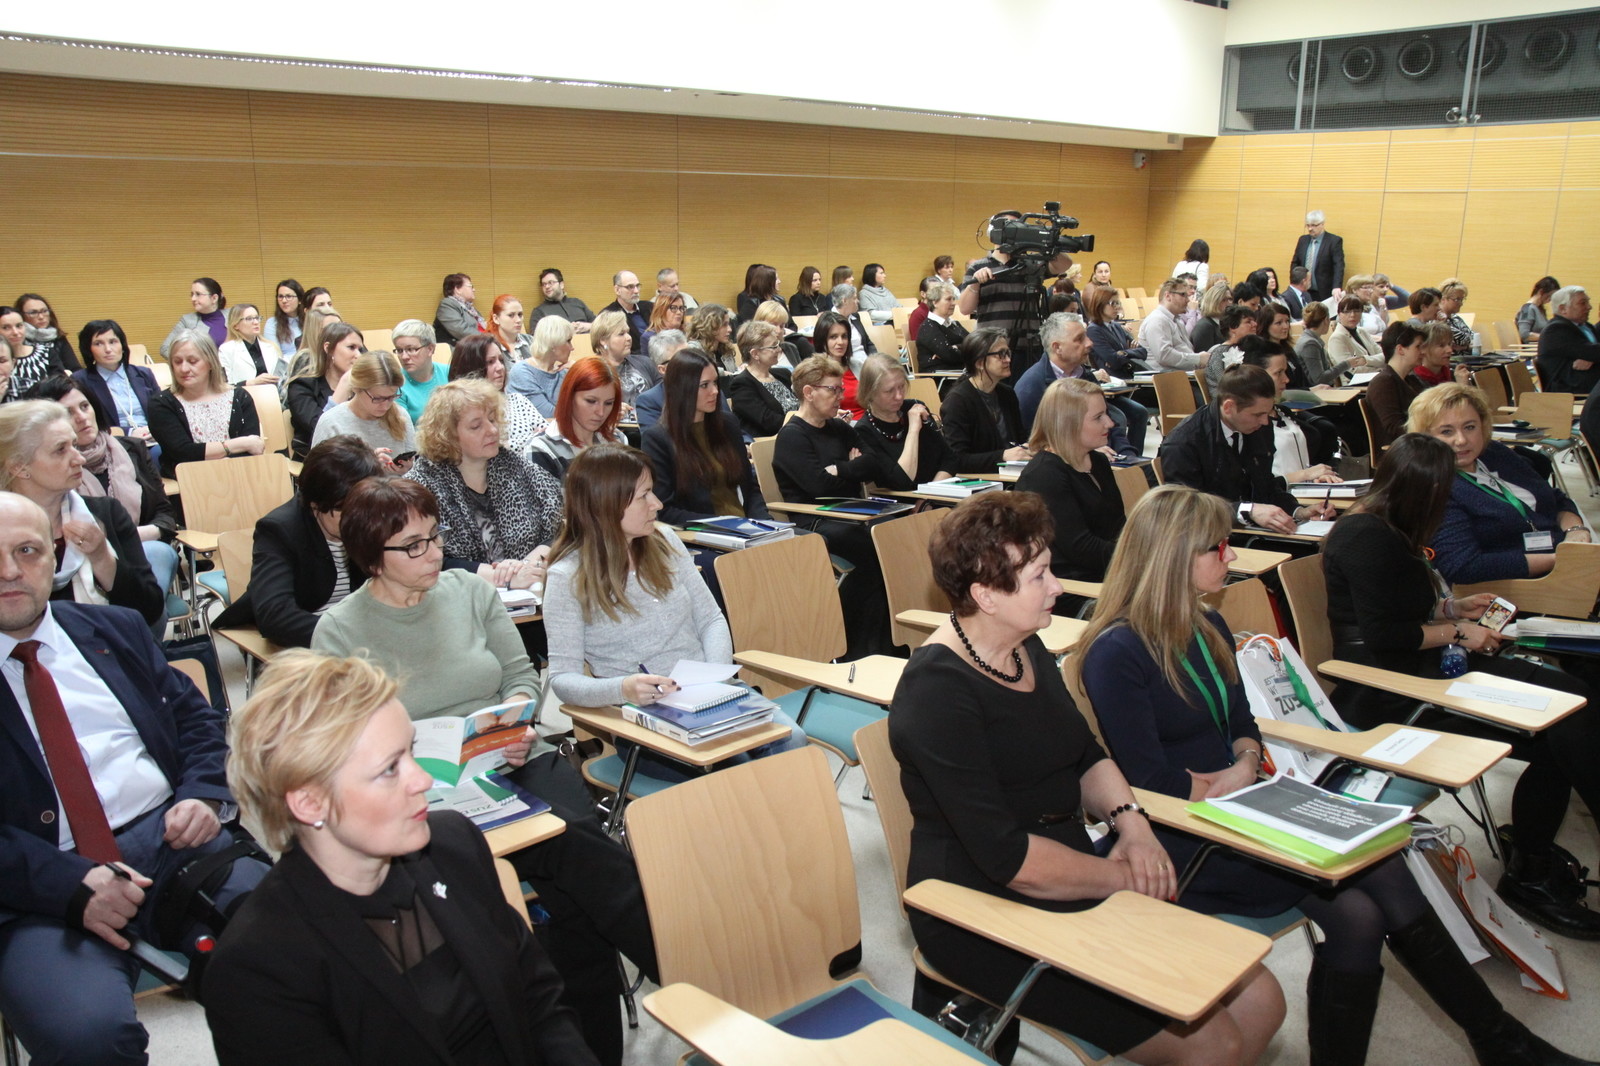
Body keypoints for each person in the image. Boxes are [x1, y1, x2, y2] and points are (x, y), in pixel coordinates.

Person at [1083, 482, 1595, 1066]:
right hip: (1185, 835)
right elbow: (1147, 779)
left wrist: (1245, 766)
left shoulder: (1208, 624)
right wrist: (1225, 787)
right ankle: (1502, 1042)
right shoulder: (1115, 651)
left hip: (1241, 801)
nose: (1231, 556)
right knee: (1375, 886)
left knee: (1363, 910)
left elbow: (1243, 723)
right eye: (1217, 548)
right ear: (1174, 556)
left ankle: (1498, 1041)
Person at [889, 490, 1284, 1065]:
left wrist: (1134, 826)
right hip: (979, 907)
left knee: (1263, 1001)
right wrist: (1122, 877)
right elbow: (1009, 859)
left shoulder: (1026, 648)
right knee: (1213, 1042)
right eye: (1040, 576)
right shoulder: (936, 693)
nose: (1058, 587)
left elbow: (1084, 755)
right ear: (985, 595)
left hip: (1070, 868)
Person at [304, 477, 656, 1063]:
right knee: (573, 883)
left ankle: (676, 982)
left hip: (510, 760)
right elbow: (340, 741)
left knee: (581, 857)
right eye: (413, 546)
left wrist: (515, 725)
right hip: (423, 790)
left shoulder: (468, 591)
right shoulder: (339, 630)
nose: (433, 553)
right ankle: (690, 974)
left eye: (435, 536)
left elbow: (520, 675)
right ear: (371, 557)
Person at [205, 649, 601, 1066]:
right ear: (308, 803)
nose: (423, 779)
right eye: (390, 769)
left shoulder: (454, 845)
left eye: (411, 752)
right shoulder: (257, 968)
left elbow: (538, 1000)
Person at [0, 492, 265, 1066]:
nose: (10, 572)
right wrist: (69, 886)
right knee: (87, 1039)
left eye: (27, 551)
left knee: (307, 949)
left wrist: (203, 795)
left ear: (55, 555)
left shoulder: (113, 629)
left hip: (174, 845)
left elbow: (196, 721)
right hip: (37, 886)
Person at [1324, 432, 1600, 943]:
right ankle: (1530, 871)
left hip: (1424, 668)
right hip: (1392, 689)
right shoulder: (1364, 535)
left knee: (1571, 712)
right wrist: (1457, 631)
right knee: (1568, 719)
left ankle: (1532, 862)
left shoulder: (1390, 525)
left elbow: (1400, 606)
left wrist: (1453, 608)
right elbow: (1385, 636)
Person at [545, 443, 804, 762]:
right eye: (644, 496)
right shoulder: (567, 577)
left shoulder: (664, 541)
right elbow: (562, 679)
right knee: (735, 764)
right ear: (606, 504)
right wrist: (623, 688)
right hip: (643, 716)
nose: (657, 504)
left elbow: (711, 619)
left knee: (790, 741)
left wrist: (716, 676)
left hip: (710, 694)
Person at [772, 356, 910, 658]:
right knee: (871, 547)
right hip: (814, 520)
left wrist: (840, 469)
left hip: (851, 511)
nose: (841, 396)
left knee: (898, 532)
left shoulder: (838, 427)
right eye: (833, 390)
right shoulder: (792, 436)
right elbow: (819, 487)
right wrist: (849, 468)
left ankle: (892, 638)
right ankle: (860, 647)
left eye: (840, 389)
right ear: (809, 392)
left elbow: (873, 462)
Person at [0, 399, 166, 628]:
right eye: (60, 450)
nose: (80, 459)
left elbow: (151, 611)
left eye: (74, 446)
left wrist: (102, 558)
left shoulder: (106, 513)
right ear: (19, 466)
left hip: (105, 647)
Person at [212, 435, 384, 648]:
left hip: (362, 632)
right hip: (310, 640)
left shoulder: (372, 517)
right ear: (315, 502)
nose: (358, 518)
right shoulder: (280, 530)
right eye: (344, 509)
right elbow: (275, 615)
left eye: (365, 506)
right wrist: (349, 635)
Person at [1408, 383, 1589, 583]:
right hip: (1525, 585)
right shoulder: (1436, 487)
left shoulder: (1495, 453)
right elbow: (1464, 566)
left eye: (1469, 427)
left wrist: (1576, 532)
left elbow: (1555, 498)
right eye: (1446, 432)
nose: (1461, 440)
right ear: (1425, 437)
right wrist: (1559, 560)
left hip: (1569, 557)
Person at [27, 377, 179, 602]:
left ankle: (136, 619)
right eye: (68, 412)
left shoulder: (132, 449)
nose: (82, 417)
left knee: (157, 553)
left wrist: (129, 537)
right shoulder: (49, 474)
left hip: (141, 547)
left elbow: (165, 514)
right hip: (80, 558)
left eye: (84, 406)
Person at [405, 377, 561, 587]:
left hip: (529, 591)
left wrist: (529, 565)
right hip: (458, 595)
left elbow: (562, 527)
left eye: (492, 419)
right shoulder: (419, 486)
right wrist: (501, 577)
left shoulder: (517, 467)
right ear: (448, 436)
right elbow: (423, 556)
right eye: (476, 426)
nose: (492, 430)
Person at [1159, 364, 1334, 534]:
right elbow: (1186, 509)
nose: (1265, 421)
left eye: (1267, 412)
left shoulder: (1257, 426)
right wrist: (1247, 511)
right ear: (1228, 407)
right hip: (1209, 536)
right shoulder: (1183, 443)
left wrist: (1298, 512)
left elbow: (1265, 485)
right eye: (1258, 414)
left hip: (1249, 529)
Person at [1013, 378, 1126, 615]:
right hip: (1066, 592)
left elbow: (1118, 527)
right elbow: (1081, 548)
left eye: (1106, 414)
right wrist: (1140, 558)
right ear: (1068, 424)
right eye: (1098, 417)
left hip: (1108, 578)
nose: (1110, 422)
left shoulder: (1098, 461)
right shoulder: (1044, 475)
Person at [641, 348, 768, 525]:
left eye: (715, 383)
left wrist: (766, 524)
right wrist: (724, 524)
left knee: (804, 538)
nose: (715, 391)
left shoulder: (728, 424)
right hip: (705, 532)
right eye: (704, 385)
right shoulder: (657, 439)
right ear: (682, 388)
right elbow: (665, 510)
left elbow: (750, 488)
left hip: (747, 526)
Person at [957, 219, 1070, 381]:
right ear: (994, 234)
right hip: (993, 349)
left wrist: (1041, 241)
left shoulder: (1030, 264)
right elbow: (964, 309)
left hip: (1028, 346)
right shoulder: (978, 267)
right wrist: (975, 283)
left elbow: (1065, 263)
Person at [1017, 312, 1144, 456]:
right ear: (1057, 347)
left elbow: (1109, 426)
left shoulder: (1085, 376)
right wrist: (1086, 451)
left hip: (1101, 459)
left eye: (1086, 336)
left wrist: (1128, 455)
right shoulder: (1032, 387)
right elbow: (1034, 444)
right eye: (1079, 339)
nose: (1089, 343)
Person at [147, 330, 264, 479]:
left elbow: (253, 449)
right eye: (177, 362)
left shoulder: (240, 397)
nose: (184, 369)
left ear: (210, 362)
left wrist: (227, 465)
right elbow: (183, 453)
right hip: (188, 481)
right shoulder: (161, 403)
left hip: (239, 476)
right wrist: (237, 445)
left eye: (192, 361)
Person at [1238, 340, 1339, 480]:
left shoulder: (1283, 412)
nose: (1286, 379)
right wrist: (1304, 475)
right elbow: (1256, 484)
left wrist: (1315, 477)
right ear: (1256, 376)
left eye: (1285, 372)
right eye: (1278, 373)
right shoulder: (1246, 425)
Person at [851, 353, 956, 485]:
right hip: (904, 497)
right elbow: (901, 481)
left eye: (901, 386)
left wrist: (932, 492)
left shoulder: (916, 407)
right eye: (889, 391)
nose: (899, 396)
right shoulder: (864, 431)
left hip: (938, 490)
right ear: (870, 393)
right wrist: (913, 430)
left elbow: (950, 459)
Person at [940, 328, 1031, 471]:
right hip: (982, 478)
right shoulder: (957, 402)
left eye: (1008, 353)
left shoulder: (1007, 393)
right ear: (979, 363)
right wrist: (1003, 456)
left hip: (1012, 472)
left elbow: (1019, 438)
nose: (1008, 359)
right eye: (1001, 354)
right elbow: (958, 460)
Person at [310, 350, 416, 471]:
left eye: (392, 397)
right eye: (378, 398)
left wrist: (408, 470)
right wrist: (365, 466)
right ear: (356, 388)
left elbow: (415, 466)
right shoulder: (331, 423)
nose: (386, 405)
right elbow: (316, 476)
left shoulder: (401, 415)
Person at [529, 356, 628, 480]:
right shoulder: (542, 448)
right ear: (569, 396)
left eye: (608, 403)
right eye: (591, 401)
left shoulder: (618, 440)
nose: (601, 412)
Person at [73, 319, 161, 450]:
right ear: (89, 350)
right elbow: (88, 423)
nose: (108, 349)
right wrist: (129, 433)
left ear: (122, 346)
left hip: (153, 438)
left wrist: (153, 430)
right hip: (113, 444)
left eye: (113, 342)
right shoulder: (80, 380)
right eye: (98, 344)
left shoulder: (144, 374)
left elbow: (161, 411)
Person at [286, 321, 363, 461]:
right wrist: (344, 384)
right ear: (328, 348)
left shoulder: (363, 386)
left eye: (360, 349)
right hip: (318, 460)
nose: (358, 355)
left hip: (359, 457)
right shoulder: (302, 385)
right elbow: (320, 429)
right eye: (351, 347)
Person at [724, 322, 798, 438]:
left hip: (798, 434)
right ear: (755, 354)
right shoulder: (741, 384)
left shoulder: (783, 374)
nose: (779, 349)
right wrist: (805, 422)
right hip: (771, 442)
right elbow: (769, 422)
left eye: (778, 344)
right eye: (773, 346)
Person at [1364, 320, 1428, 450]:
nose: (1423, 352)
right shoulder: (1383, 383)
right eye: (1418, 347)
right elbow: (1395, 428)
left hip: (1418, 444)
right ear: (1400, 349)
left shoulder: (1412, 380)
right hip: (1402, 452)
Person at [507, 314, 575, 418]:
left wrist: (578, 371)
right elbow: (547, 414)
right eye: (568, 341)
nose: (572, 348)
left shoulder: (564, 371)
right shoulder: (522, 372)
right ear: (553, 343)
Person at [588, 309, 659, 407]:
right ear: (603, 340)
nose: (629, 338)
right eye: (621, 334)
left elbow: (663, 395)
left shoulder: (645, 362)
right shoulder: (590, 372)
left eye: (628, 332)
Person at [1537, 285, 1600, 393]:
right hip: (1568, 390)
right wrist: (1593, 356)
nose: (1589, 307)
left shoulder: (1586, 326)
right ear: (1563, 309)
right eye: (1583, 303)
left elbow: (1594, 352)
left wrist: (1592, 359)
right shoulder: (1556, 330)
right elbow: (1594, 351)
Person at [0, 306, 69, 399]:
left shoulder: (45, 353)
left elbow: (61, 386)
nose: (15, 332)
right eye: (6, 328)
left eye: (19, 326)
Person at [631, 330, 692, 431]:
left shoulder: (708, 388)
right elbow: (654, 439)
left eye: (692, 355)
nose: (691, 362)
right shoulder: (649, 401)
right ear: (663, 369)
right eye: (682, 359)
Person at [390, 319, 447, 425]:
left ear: (430, 349)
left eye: (411, 349)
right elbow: (403, 429)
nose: (404, 357)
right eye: (399, 350)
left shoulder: (450, 372)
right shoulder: (395, 384)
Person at [811, 312, 867, 418]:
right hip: (838, 424)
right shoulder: (813, 372)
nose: (840, 342)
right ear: (822, 340)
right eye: (833, 337)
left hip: (867, 422)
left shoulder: (858, 365)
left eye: (844, 336)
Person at [1083, 286, 1148, 377]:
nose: (1117, 307)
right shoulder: (1094, 330)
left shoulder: (1117, 326)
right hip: (1113, 379)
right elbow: (1114, 360)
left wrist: (1124, 353)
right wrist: (1129, 352)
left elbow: (1143, 352)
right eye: (1113, 303)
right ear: (1100, 304)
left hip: (1131, 374)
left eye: (1118, 303)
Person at [1141, 278, 1204, 371]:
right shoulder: (1157, 320)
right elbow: (1164, 356)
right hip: (1163, 376)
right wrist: (1197, 359)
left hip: (1181, 374)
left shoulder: (1177, 320)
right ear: (1168, 296)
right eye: (1183, 295)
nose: (1188, 300)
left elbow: (1186, 350)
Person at [159, 277, 228, 357]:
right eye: (192, 294)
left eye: (198, 294)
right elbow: (165, 348)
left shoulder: (234, 315)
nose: (193, 299)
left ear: (214, 298)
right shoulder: (187, 321)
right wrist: (191, 361)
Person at [217, 304, 283, 387]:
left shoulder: (270, 347)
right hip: (243, 394)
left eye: (257, 318)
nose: (256, 322)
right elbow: (225, 386)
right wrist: (252, 382)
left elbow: (281, 379)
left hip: (272, 393)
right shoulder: (226, 350)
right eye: (249, 319)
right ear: (236, 325)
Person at [13, 294, 79, 374]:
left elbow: (75, 369)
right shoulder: (17, 339)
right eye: (33, 312)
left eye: (44, 311)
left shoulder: (58, 338)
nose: (41, 317)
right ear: (21, 316)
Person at [1200, 305, 1259, 392]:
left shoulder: (1248, 348)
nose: (1255, 324)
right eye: (1248, 322)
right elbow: (1227, 386)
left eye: (1254, 321)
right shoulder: (1220, 353)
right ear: (1233, 328)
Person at [1290, 210, 1344, 301]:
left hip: (1323, 291)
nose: (1310, 229)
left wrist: (1336, 286)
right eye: (1308, 225)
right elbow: (1295, 263)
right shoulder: (1303, 240)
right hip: (1303, 290)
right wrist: (1294, 283)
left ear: (1322, 224)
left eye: (1314, 225)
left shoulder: (1334, 241)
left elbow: (1338, 266)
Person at [914, 281, 968, 372]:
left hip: (959, 371)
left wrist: (956, 347)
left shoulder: (954, 323)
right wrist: (963, 348)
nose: (953, 303)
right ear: (935, 302)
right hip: (940, 376)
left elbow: (975, 343)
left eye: (953, 299)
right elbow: (950, 356)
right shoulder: (928, 327)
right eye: (948, 299)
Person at [529, 267, 595, 333]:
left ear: (561, 285)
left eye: (550, 282)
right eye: (544, 284)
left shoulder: (577, 302)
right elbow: (535, 336)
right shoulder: (539, 311)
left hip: (586, 338)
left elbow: (599, 325)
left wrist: (586, 326)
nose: (547, 287)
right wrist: (565, 330)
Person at [600, 271, 652, 353]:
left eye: (637, 286)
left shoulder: (650, 307)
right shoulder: (609, 314)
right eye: (630, 287)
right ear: (617, 290)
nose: (636, 291)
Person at [1412, 320, 1470, 389]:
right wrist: (1462, 387)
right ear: (1423, 348)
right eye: (1441, 345)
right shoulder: (1414, 381)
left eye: (1449, 344)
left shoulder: (1454, 375)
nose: (1449, 350)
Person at [431, 272, 484, 342]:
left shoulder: (471, 309)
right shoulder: (447, 305)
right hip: (456, 347)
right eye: (471, 286)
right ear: (458, 289)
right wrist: (487, 338)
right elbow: (461, 331)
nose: (474, 290)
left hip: (475, 344)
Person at [686, 303, 739, 375]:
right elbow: (699, 371)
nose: (730, 329)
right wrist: (723, 373)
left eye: (728, 324)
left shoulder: (726, 348)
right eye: (724, 325)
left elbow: (733, 373)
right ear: (710, 326)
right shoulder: (693, 349)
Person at [264, 278, 305, 355]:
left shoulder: (309, 320)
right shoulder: (272, 323)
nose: (284, 301)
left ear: (300, 300)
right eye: (280, 296)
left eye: (288, 296)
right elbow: (274, 355)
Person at [640, 289, 686, 354]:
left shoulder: (686, 334)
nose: (679, 312)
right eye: (673, 308)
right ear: (661, 310)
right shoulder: (648, 337)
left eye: (681, 308)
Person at [1189, 283, 1229, 352]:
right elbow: (1203, 355)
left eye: (1230, 299)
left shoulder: (1222, 324)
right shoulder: (1204, 326)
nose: (1228, 303)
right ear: (1213, 302)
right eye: (1223, 300)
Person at [1520, 276, 1561, 343]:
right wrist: (1549, 337)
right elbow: (1525, 335)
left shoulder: (1540, 309)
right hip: (1532, 347)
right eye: (1550, 296)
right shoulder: (1528, 309)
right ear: (1541, 292)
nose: (1550, 299)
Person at [1438, 278, 1474, 354]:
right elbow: (1463, 339)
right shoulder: (1437, 318)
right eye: (1457, 299)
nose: (1461, 303)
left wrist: (1464, 347)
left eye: (1462, 299)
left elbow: (1473, 338)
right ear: (1443, 299)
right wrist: (1468, 345)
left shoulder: (1455, 318)